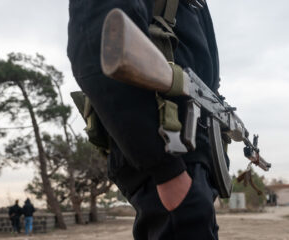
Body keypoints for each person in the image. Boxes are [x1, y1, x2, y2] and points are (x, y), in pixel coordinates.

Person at [68, 0, 221, 239]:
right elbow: (95, 48)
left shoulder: (195, 5)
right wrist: (167, 171)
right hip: (166, 150)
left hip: (189, 160)